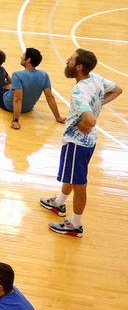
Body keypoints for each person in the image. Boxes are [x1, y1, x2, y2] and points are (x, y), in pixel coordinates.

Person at [40, 49, 120, 237]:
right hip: (89, 141)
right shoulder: (97, 79)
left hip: (77, 143)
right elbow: (118, 89)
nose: (67, 60)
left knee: (79, 184)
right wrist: (95, 106)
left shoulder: (78, 91)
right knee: (72, 175)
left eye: (71, 59)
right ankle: (59, 203)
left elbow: (91, 122)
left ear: (79, 67)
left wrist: (83, 120)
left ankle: (75, 224)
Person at [1, 48, 63, 130]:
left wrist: (15, 120)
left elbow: (18, 100)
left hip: (9, 106)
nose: (21, 58)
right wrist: (58, 117)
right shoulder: (44, 75)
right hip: (28, 108)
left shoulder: (17, 75)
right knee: (10, 86)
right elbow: (50, 97)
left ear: (28, 60)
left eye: (23, 56)